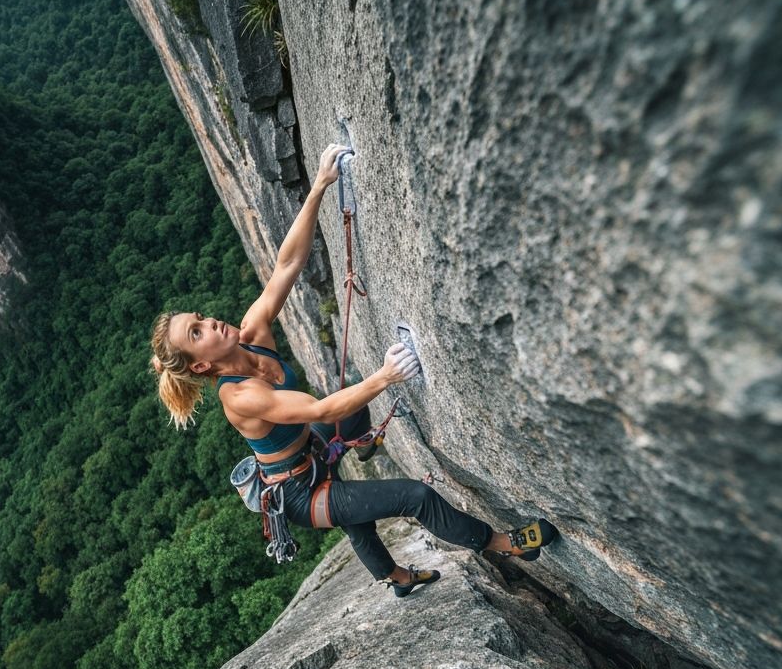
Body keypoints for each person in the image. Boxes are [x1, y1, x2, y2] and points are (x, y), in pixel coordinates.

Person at [148, 143, 557, 596]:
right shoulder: (240, 397)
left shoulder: (251, 333)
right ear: (202, 364)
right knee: (410, 497)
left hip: (311, 453)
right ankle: (506, 544)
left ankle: (395, 575)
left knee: (352, 441)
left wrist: (320, 185)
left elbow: (287, 264)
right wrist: (385, 377)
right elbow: (321, 408)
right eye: (198, 332)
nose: (210, 322)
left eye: (200, 319)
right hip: (302, 493)